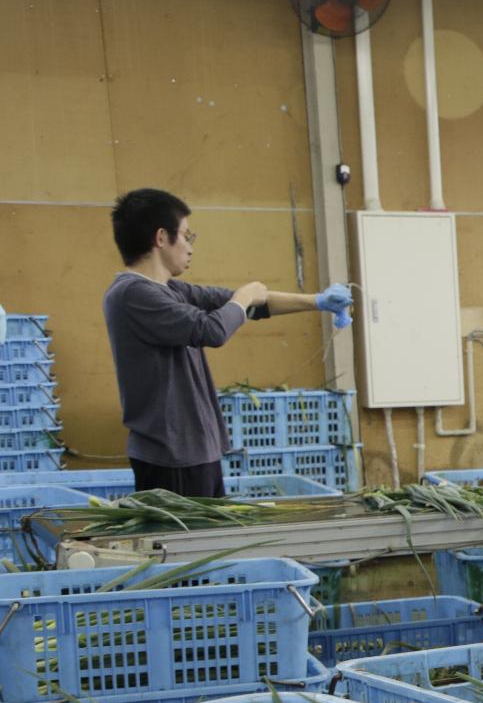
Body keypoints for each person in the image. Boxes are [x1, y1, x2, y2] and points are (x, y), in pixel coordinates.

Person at [103, 188, 352, 497]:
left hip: (195, 450)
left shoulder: (172, 290)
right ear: (161, 237)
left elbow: (248, 304)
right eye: (186, 236)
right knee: (188, 544)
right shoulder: (133, 294)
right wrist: (245, 296)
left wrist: (317, 301)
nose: (190, 248)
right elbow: (210, 330)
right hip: (171, 455)